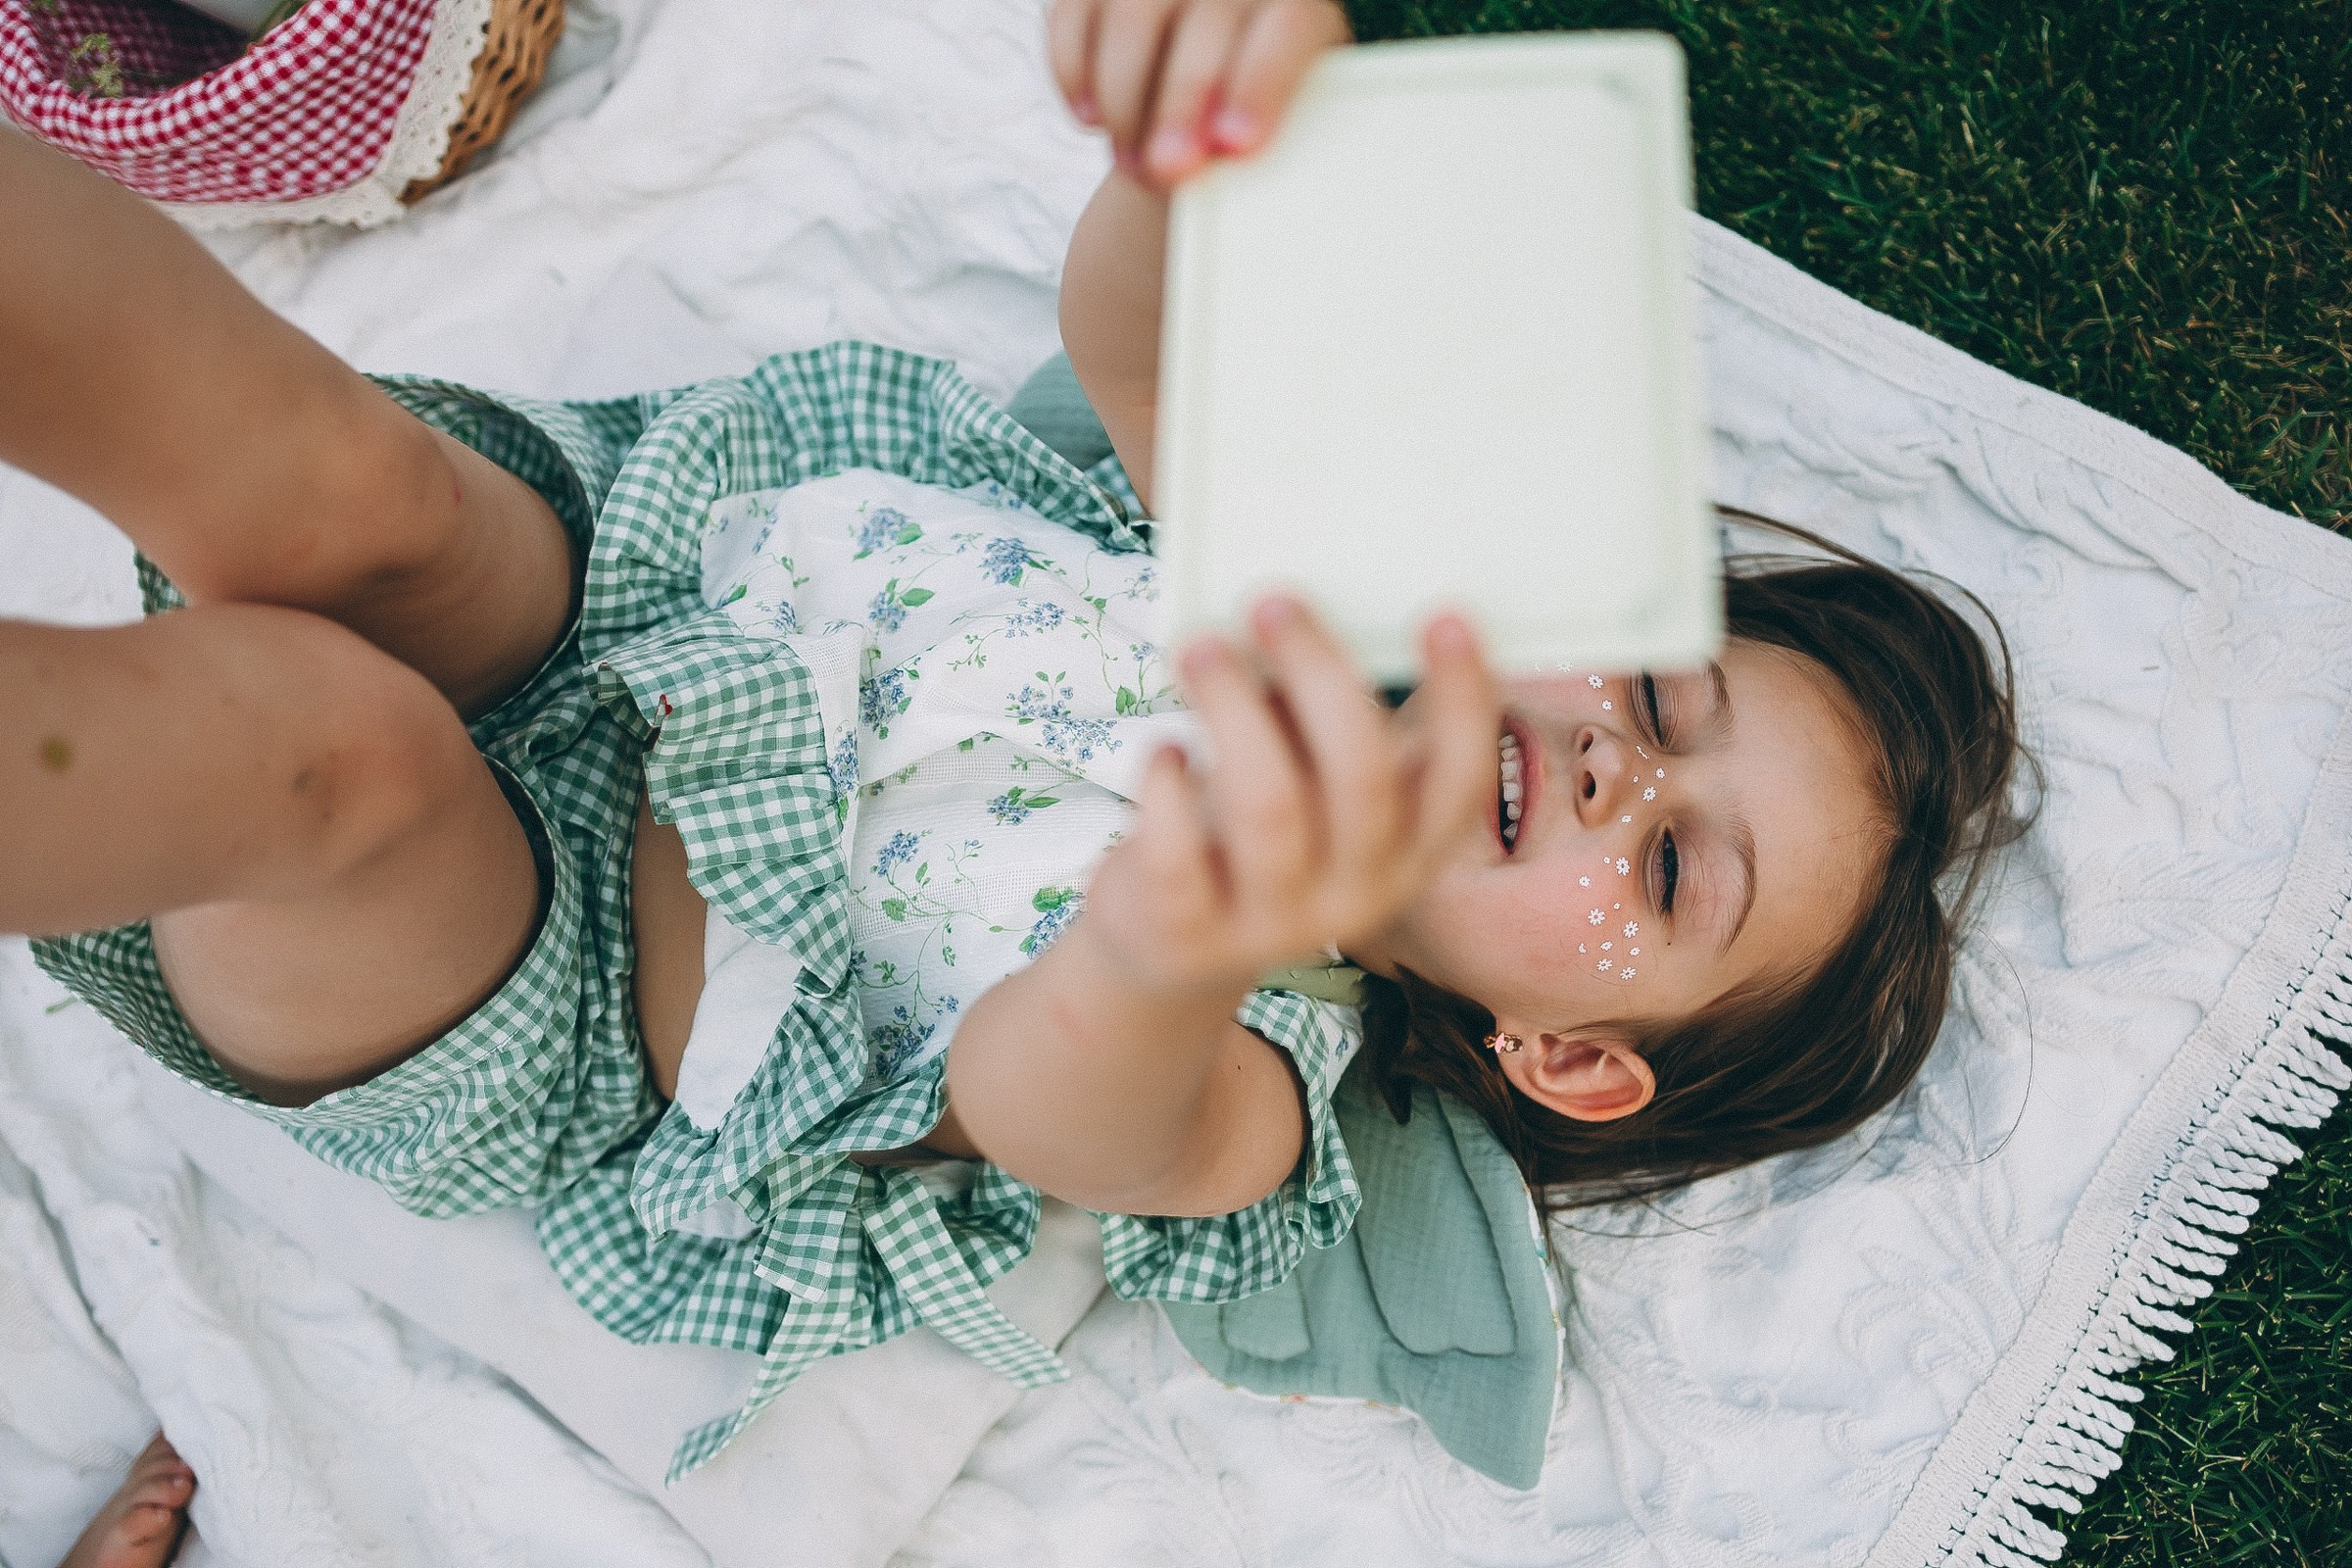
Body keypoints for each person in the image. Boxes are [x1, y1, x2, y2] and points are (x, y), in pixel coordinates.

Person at [0, 0, 2018, 1478]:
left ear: (1559, 1055)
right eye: (1660, 700)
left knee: (338, 753)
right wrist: (1193, 157)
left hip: (526, 990)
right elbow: (1139, 342)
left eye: (1668, 863)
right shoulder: (1292, 581)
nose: (1615, 770)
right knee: (354, 489)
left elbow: (1051, 1100)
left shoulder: (1269, 1079)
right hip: (621, 597)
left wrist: (1183, 928)